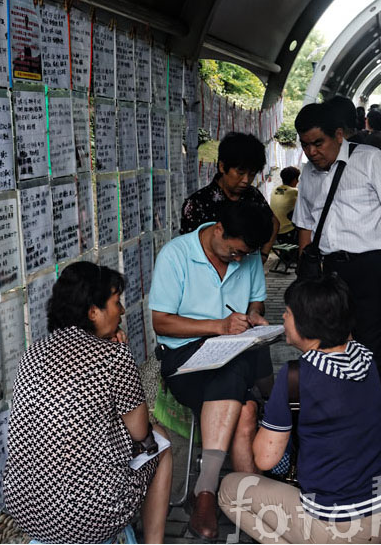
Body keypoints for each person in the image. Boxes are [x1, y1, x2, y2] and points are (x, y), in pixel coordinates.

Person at [218, 275, 381, 543]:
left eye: (287, 313)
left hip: (339, 529)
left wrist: (261, 418)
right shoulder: (366, 358)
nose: (283, 318)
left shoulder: (296, 377)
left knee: (229, 491)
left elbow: (265, 459)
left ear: (306, 324)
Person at [4, 262, 173, 544]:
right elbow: (141, 433)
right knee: (162, 442)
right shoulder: (113, 356)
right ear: (93, 312)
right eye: (116, 303)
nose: (121, 310)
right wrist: (119, 350)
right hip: (91, 515)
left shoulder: (33, 352)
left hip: (26, 508)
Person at [149, 200, 274, 539]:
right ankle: (255, 512)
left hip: (234, 352)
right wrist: (218, 326)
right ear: (219, 229)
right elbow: (161, 322)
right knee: (246, 412)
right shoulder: (176, 255)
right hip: (183, 360)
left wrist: (252, 317)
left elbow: (256, 299)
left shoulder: (246, 256)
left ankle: (206, 494)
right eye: (233, 253)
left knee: (235, 374)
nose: (238, 260)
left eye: (244, 256)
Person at [293, 102, 381, 417]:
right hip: (327, 270)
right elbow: (305, 222)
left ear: (339, 135)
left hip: (370, 268)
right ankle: (335, 413)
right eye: (305, 145)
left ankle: (372, 419)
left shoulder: (371, 160)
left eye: (318, 143)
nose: (312, 152)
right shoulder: (307, 173)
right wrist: (306, 275)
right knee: (325, 345)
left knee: (370, 349)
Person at [181, 131, 280, 261]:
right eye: (240, 172)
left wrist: (264, 255)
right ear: (222, 167)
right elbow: (188, 248)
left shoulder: (253, 196)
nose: (246, 180)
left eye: (251, 174)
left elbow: (274, 223)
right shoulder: (197, 203)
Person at [270, 166, 300, 246]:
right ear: (294, 179)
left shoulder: (275, 190)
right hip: (288, 231)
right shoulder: (295, 191)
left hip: (275, 231)